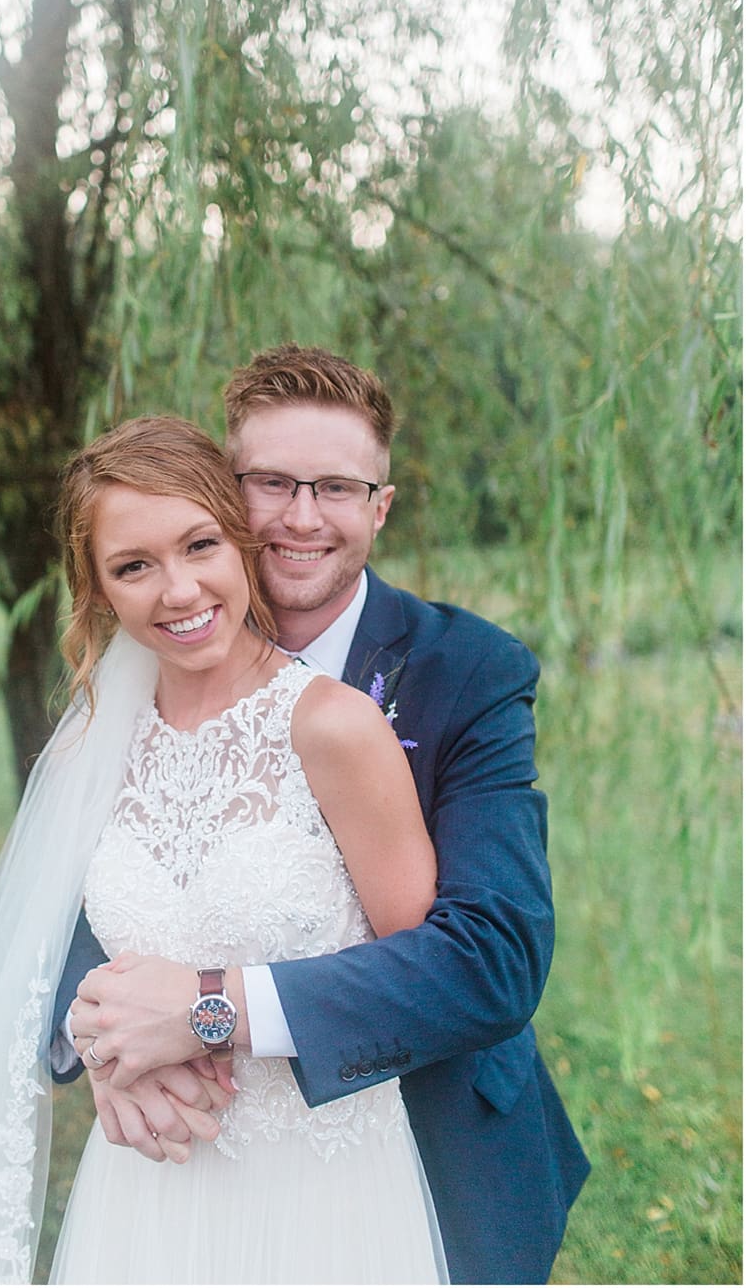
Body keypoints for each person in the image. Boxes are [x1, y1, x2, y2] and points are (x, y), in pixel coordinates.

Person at [49, 347, 589, 1284]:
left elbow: (490, 956)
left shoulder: (472, 672)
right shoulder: (132, 685)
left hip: (417, 1135)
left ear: (380, 505)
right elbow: (73, 906)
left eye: (337, 487)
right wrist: (103, 1035)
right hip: (176, 1171)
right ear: (227, 491)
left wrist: (209, 1009)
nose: (302, 517)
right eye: (271, 483)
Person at [0, 415, 445, 1283]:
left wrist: (204, 1015)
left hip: (320, 1189)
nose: (177, 590)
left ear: (242, 544)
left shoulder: (333, 726)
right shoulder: (88, 751)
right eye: (134, 566)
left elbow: (419, 980)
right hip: (146, 1189)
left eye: (199, 545)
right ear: (99, 591)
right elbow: (38, 960)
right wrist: (105, 1045)